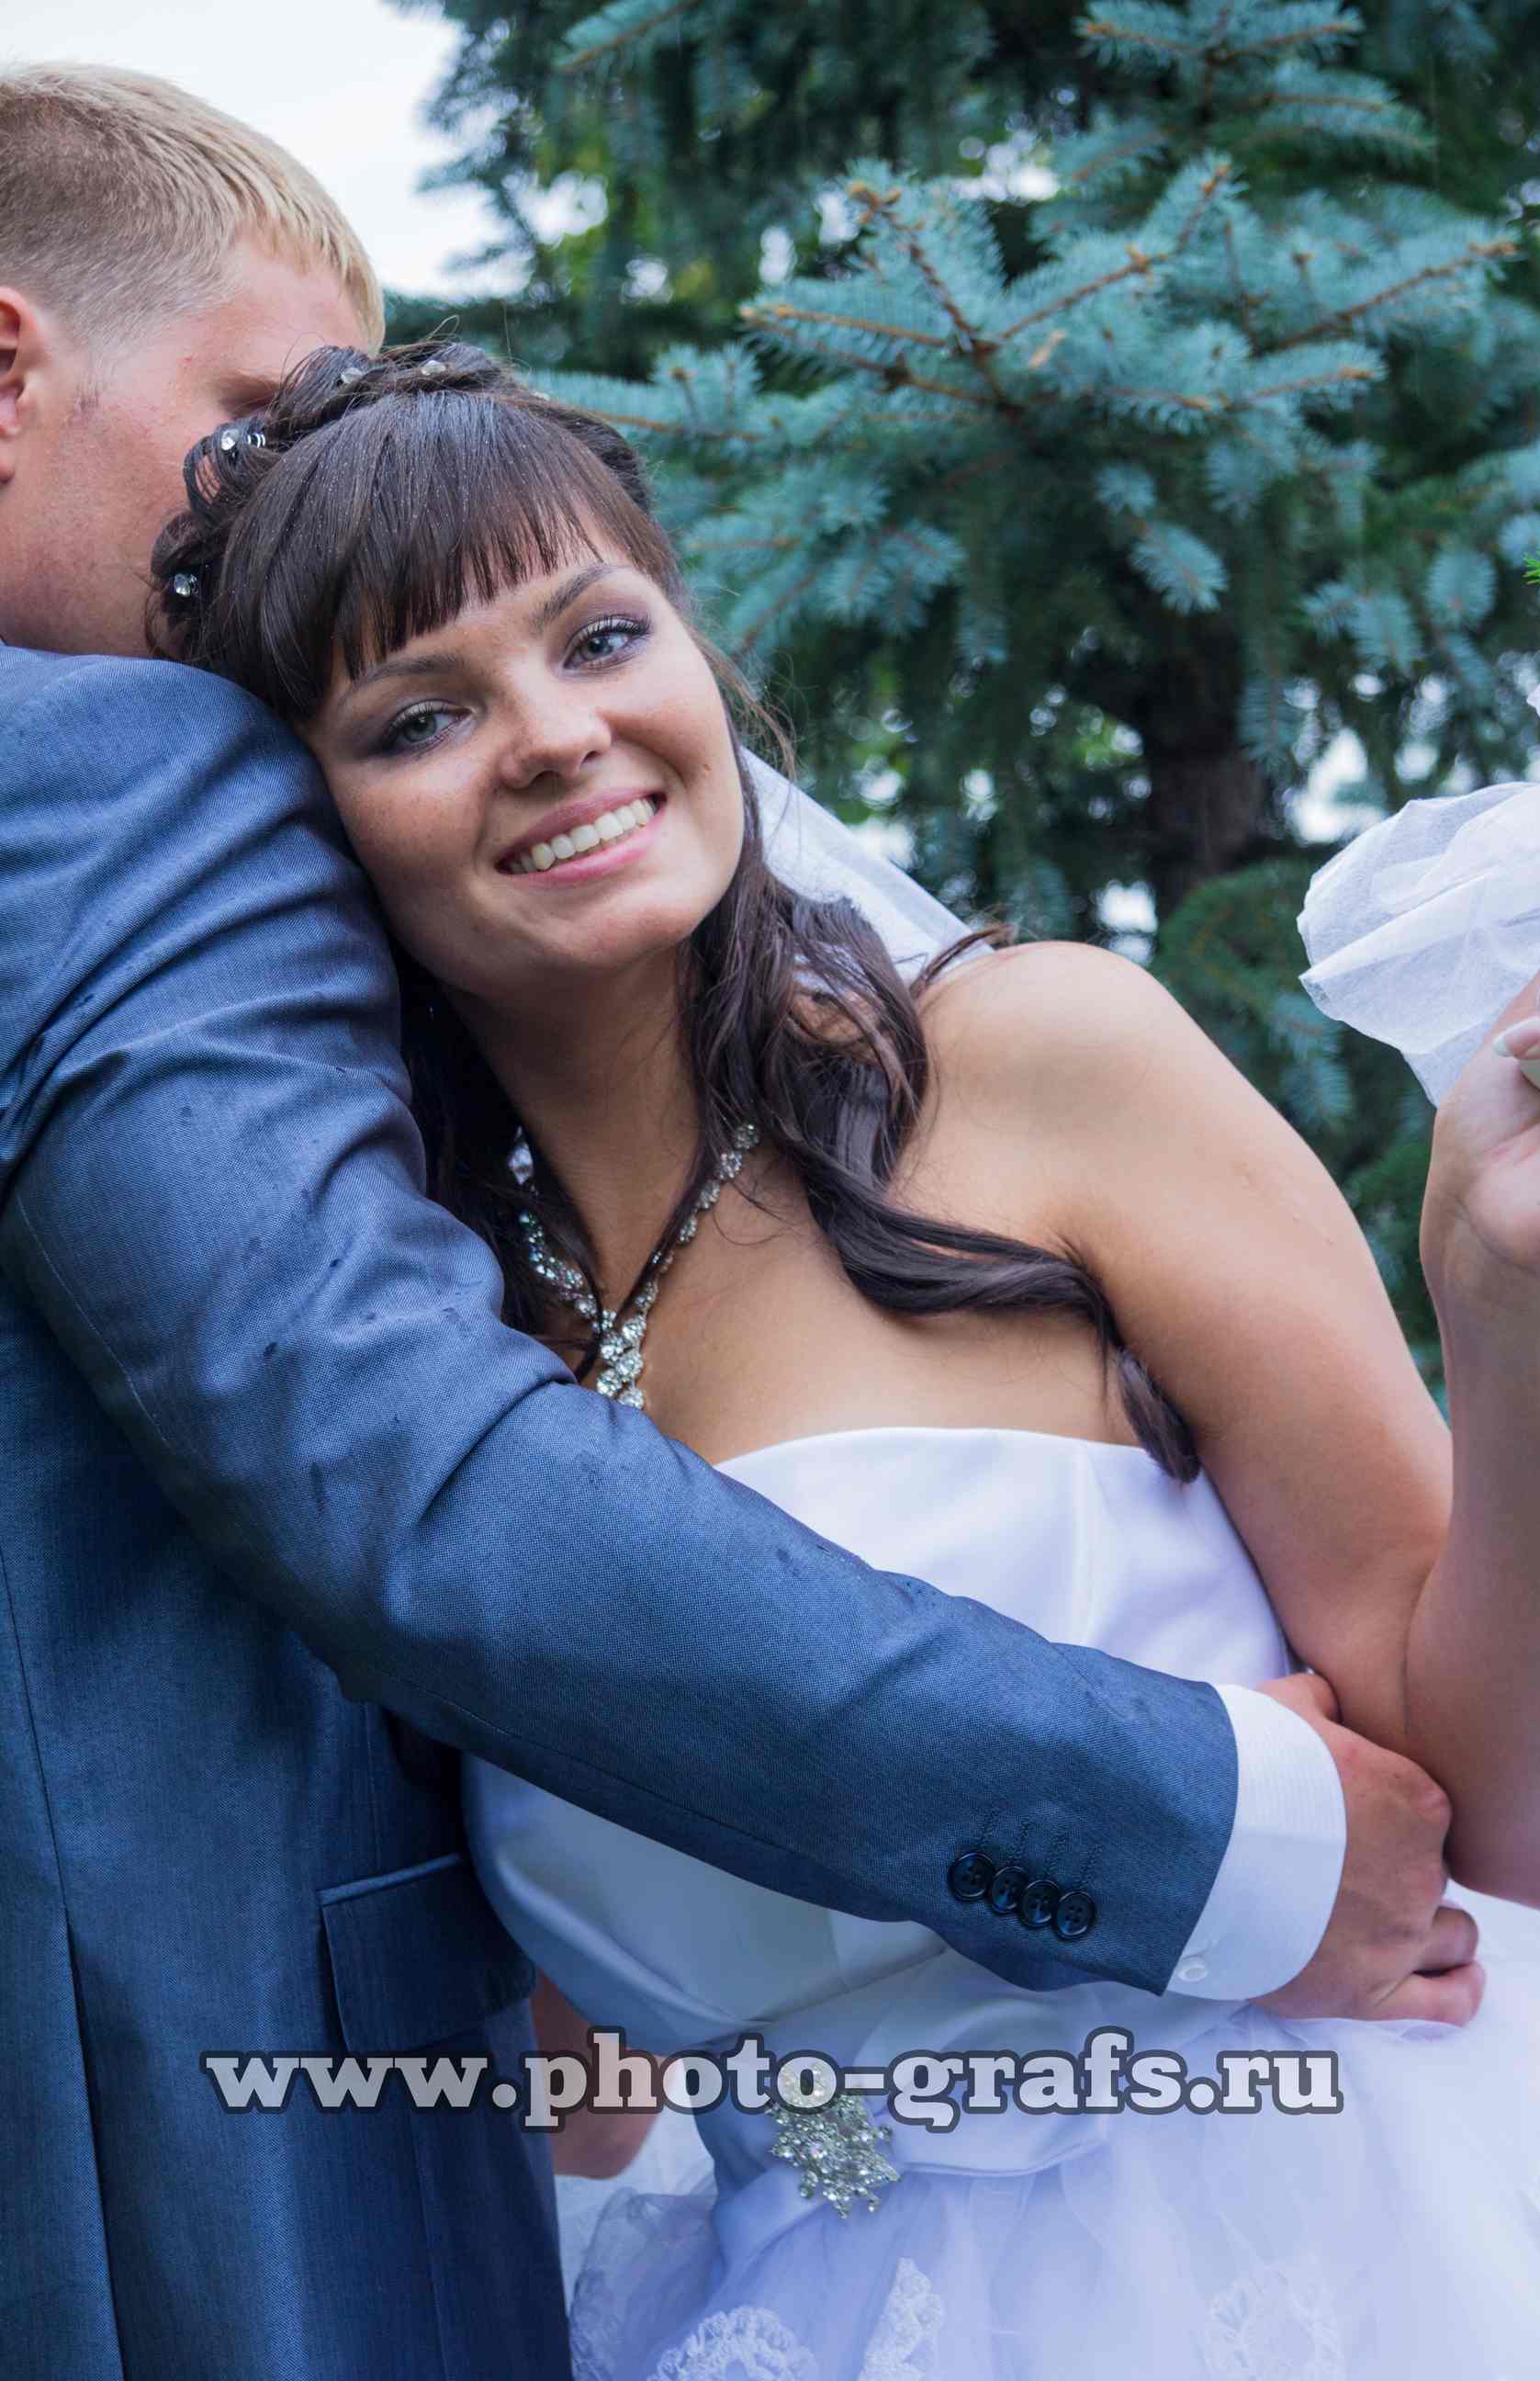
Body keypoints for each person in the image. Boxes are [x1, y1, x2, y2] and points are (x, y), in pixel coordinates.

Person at [0, 65, 1460, 2381]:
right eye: (256, 423)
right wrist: (1197, 1832)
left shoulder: (1035, 1067)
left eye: (599, 640)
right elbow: (415, 1506)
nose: (298, 498)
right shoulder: (137, 801)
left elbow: (1468, 1747)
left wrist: (1507, 1273)